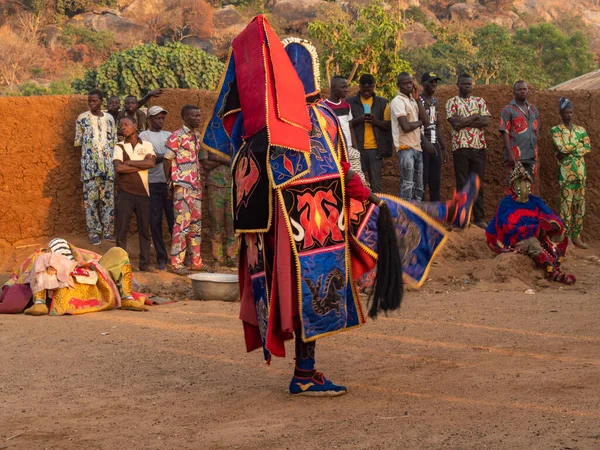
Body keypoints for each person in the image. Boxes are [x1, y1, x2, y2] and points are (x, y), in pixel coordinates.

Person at [201, 19, 481, 397]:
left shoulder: (268, 123)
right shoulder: (313, 119)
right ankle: (304, 372)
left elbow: (331, 167)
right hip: (304, 224)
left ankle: (442, 212)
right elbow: (337, 167)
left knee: (364, 236)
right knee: (320, 281)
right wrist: (363, 195)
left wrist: (363, 195)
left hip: (303, 220)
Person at [0, 238, 146, 315]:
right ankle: (40, 304)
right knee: (43, 258)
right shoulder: (42, 256)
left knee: (118, 252)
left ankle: (127, 298)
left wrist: (77, 263)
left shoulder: (84, 255)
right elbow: (21, 275)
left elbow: (105, 262)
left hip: (95, 280)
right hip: (63, 285)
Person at [486, 162, 575, 285]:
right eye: (520, 183)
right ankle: (552, 272)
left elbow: (549, 215)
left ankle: (556, 264)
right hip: (513, 239)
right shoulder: (506, 203)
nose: (523, 186)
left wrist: (553, 224)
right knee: (532, 242)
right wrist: (534, 229)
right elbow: (508, 229)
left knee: (559, 235)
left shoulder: (535, 201)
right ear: (513, 187)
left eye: (526, 182)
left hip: (535, 234)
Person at [164, 105, 207, 275]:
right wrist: (169, 182)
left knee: (195, 226)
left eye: (199, 115)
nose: (198, 118)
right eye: (194, 116)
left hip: (195, 187)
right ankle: (176, 263)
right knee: (181, 224)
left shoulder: (196, 136)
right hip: (182, 186)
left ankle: (196, 262)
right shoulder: (176, 136)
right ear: (185, 117)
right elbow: (167, 160)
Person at [446, 73, 491, 228]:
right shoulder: (451, 102)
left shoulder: (479, 101)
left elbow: (485, 121)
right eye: (464, 84)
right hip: (460, 147)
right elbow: (455, 125)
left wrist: (465, 120)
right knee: (462, 184)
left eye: (470, 84)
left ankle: (479, 218)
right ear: (457, 84)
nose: (467, 87)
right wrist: (474, 117)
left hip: (479, 147)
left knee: (478, 183)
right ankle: (462, 218)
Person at [74, 88, 117, 246]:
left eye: (94, 101)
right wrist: (87, 162)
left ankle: (107, 232)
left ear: (101, 102)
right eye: (89, 101)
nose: (91, 104)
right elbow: (79, 143)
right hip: (90, 169)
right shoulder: (82, 119)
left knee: (108, 201)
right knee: (90, 202)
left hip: (107, 167)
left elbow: (113, 142)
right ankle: (93, 232)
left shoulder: (110, 119)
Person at [113, 116, 156, 272]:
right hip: (124, 193)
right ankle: (121, 266)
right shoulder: (119, 146)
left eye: (126, 124)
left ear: (135, 126)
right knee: (121, 230)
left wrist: (129, 163)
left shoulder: (147, 145)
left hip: (143, 193)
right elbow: (118, 168)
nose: (123, 127)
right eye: (121, 125)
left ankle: (144, 264)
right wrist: (141, 166)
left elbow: (151, 163)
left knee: (144, 230)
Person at [551, 98, 592, 249]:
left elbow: (587, 147)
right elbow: (560, 148)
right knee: (565, 207)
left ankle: (577, 236)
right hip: (565, 175)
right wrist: (577, 147)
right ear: (561, 114)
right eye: (566, 112)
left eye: (571, 112)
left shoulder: (580, 130)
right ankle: (565, 238)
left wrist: (569, 150)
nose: (569, 115)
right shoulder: (555, 130)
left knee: (580, 206)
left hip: (581, 174)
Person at [139, 106, 175, 270]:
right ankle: (161, 257)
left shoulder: (169, 135)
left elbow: (170, 156)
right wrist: (165, 156)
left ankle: (176, 256)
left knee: (173, 221)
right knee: (155, 221)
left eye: (162, 118)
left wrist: (158, 156)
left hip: (168, 183)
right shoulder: (143, 136)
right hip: (152, 183)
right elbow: (148, 158)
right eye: (158, 118)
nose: (161, 121)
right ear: (150, 119)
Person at [348, 74, 393, 192]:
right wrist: (360, 119)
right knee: (357, 183)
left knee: (376, 184)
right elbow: (346, 124)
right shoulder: (350, 103)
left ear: (374, 86)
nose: (366, 91)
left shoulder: (383, 103)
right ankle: (360, 209)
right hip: (357, 149)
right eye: (364, 89)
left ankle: (376, 210)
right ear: (360, 87)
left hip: (375, 150)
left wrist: (375, 122)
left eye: (369, 89)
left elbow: (388, 125)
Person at [390, 72, 430, 201]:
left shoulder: (413, 100)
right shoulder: (397, 101)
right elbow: (406, 127)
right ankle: (403, 217)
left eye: (410, 83)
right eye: (405, 83)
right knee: (407, 185)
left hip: (417, 147)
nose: (408, 85)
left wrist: (418, 100)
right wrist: (419, 123)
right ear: (399, 85)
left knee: (419, 187)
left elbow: (427, 121)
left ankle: (414, 217)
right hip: (405, 147)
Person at [322, 75, 365, 182]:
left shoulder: (346, 106)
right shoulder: (324, 107)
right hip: (335, 150)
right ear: (333, 88)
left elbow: (350, 126)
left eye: (346, 87)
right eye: (343, 87)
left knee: (359, 178)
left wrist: (355, 147)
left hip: (349, 148)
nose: (346, 90)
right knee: (341, 180)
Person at [499, 80, 540, 184]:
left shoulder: (533, 109)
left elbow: (536, 129)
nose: (522, 91)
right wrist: (510, 154)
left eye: (524, 89)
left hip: (531, 155)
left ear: (528, 91)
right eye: (519, 89)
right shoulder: (508, 110)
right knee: (514, 189)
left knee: (529, 187)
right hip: (516, 156)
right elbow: (505, 132)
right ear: (514, 92)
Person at [419, 71, 449, 201]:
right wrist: (425, 142)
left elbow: (437, 125)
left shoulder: (435, 102)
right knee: (422, 181)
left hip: (434, 145)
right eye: (431, 82)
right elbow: (415, 126)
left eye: (436, 82)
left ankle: (434, 215)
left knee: (435, 181)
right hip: (422, 145)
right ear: (423, 84)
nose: (434, 84)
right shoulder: (418, 101)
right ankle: (420, 213)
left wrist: (443, 147)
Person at [205, 153, 237, 267]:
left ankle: (232, 256)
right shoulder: (208, 141)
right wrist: (226, 159)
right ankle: (217, 258)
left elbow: (236, 162)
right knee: (216, 224)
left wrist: (217, 158)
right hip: (214, 187)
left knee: (232, 225)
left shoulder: (232, 141)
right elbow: (206, 164)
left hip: (232, 187)